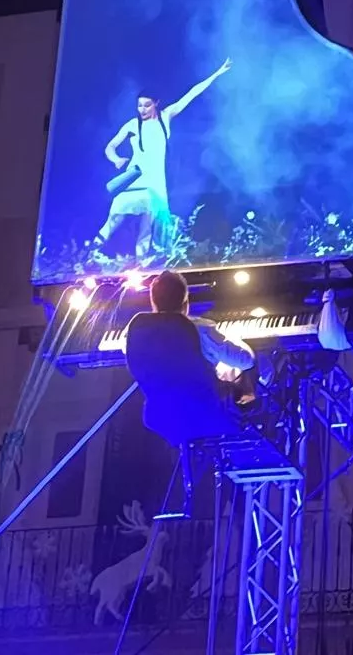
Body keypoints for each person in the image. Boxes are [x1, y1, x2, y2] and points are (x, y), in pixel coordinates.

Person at [122, 270, 263, 519]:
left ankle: (195, 485)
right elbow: (246, 359)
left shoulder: (135, 331)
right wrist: (232, 339)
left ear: (152, 301)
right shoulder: (199, 330)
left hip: (163, 418)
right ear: (186, 303)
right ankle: (267, 432)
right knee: (246, 368)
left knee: (210, 374)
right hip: (210, 415)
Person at [94, 58, 232, 265]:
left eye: (147, 105)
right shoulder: (132, 125)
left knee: (147, 227)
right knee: (114, 219)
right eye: (139, 105)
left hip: (155, 182)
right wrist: (116, 159)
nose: (142, 109)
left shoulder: (165, 118)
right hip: (135, 179)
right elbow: (110, 146)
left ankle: (141, 267)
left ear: (156, 104)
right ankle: (89, 254)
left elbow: (191, 94)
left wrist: (217, 73)